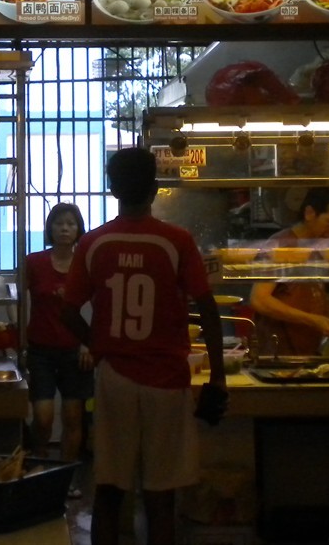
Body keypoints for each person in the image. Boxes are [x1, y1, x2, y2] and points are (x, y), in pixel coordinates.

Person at [61, 147, 227, 545]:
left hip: (114, 377)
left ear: (111, 188)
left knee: (110, 488)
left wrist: (98, 344)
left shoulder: (95, 243)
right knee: (160, 494)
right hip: (167, 381)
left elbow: (68, 312)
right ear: (154, 189)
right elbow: (207, 311)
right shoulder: (177, 241)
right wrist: (217, 377)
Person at [24, 203, 92, 487]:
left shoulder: (87, 264)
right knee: (43, 417)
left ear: (79, 230)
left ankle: (65, 478)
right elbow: (17, 302)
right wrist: (19, 342)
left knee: (74, 416)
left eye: (71, 224)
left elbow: (100, 305)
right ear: (49, 228)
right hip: (40, 350)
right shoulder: (34, 263)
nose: (65, 228)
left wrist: (91, 345)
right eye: (59, 223)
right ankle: (40, 469)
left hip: (76, 351)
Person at [250, 187, 329, 355]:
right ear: (309, 213)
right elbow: (259, 300)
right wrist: (314, 321)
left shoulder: (316, 246)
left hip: (307, 351)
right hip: (279, 354)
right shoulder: (281, 244)